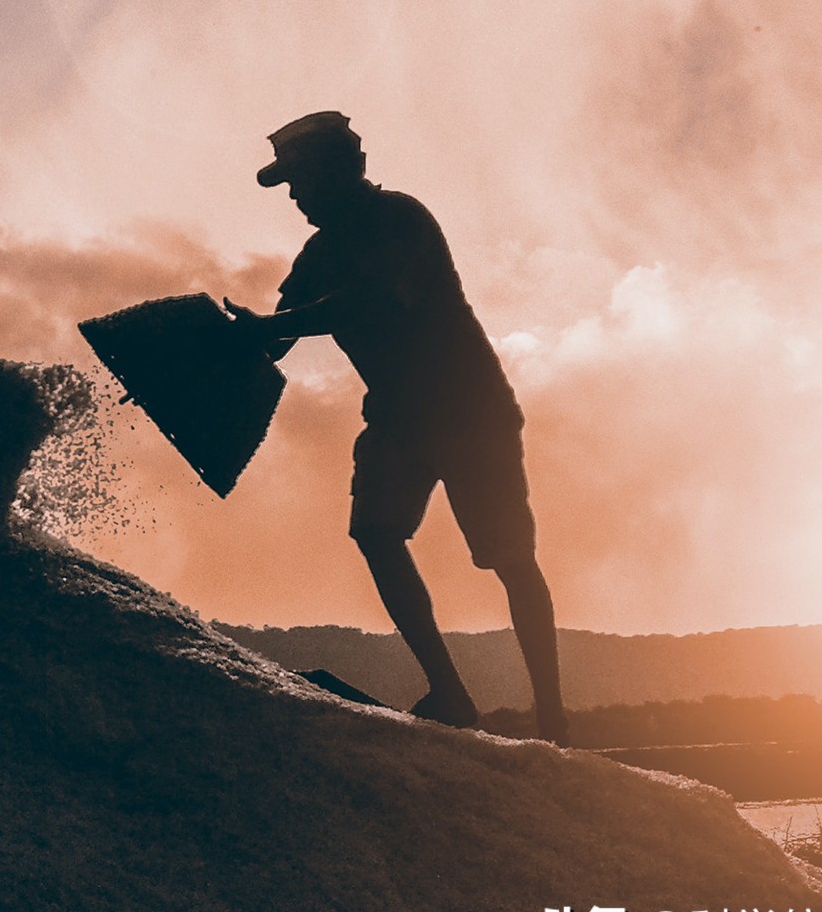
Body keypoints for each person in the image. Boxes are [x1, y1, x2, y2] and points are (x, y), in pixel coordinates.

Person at [223, 111, 569, 745]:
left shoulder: (399, 219)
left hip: (471, 414)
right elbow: (279, 334)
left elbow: (373, 299)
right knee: (377, 533)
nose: (295, 197)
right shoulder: (318, 253)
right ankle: (452, 694)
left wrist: (268, 330)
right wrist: (218, 347)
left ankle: (554, 718)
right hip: (398, 419)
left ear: (338, 169)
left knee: (510, 560)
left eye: (300, 182)